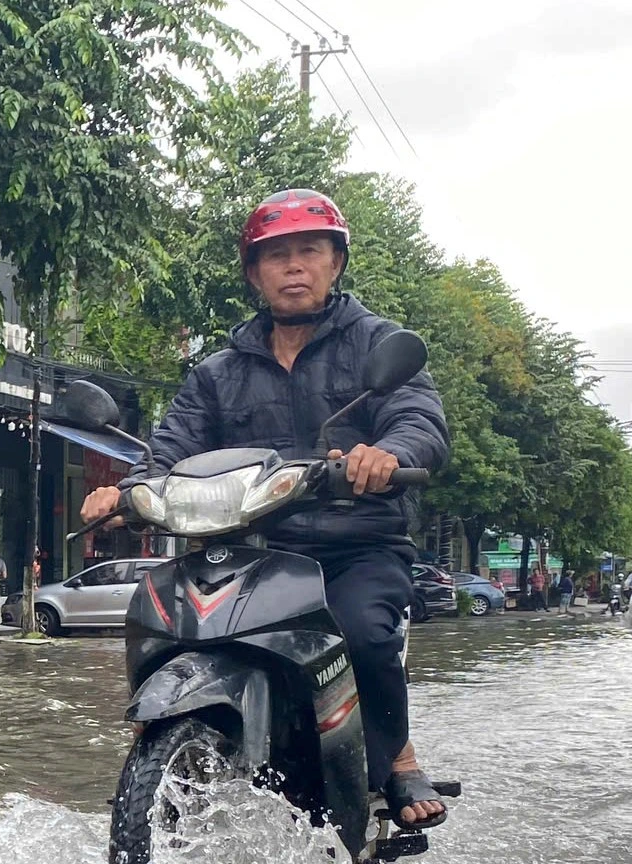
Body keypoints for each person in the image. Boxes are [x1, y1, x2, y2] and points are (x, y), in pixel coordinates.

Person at [82, 187, 451, 829]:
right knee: (164, 621)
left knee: (364, 633)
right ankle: (165, 756)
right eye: (276, 256)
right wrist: (129, 491)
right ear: (255, 274)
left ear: (335, 262)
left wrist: (387, 452)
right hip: (248, 550)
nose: (294, 267)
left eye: (309, 251)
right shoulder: (218, 372)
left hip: (353, 547)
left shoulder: (376, 346)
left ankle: (395, 759)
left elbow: (419, 419)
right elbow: (168, 450)